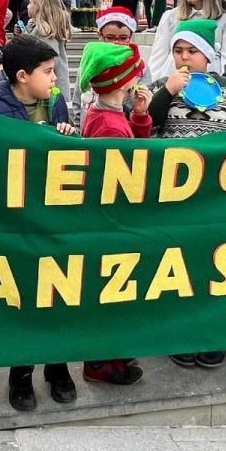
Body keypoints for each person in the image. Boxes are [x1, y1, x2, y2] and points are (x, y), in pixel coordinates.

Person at [147, 19, 226, 370]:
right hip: (175, 193)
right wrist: (166, 91)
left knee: (216, 261)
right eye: (178, 50)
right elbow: (144, 123)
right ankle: (178, 333)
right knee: (177, 262)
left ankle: (213, 333)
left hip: (217, 194)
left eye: (192, 51)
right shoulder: (161, 85)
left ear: (207, 55)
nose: (184, 57)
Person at [0, 35, 74, 410]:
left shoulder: (56, 103)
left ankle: (57, 363)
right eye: (48, 72)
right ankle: (22, 371)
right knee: (23, 295)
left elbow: (70, 152)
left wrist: (65, 136)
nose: (54, 79)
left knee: (57, 291)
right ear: (21, 76)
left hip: (53, 214)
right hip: (16, 218)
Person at [77, 40, 151, 387]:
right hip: (111, 221)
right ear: (123, 82)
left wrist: (139, 116)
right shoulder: (108, 125)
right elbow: (129, 169)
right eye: (137, 73)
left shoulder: (105, 112)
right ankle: (100, 359)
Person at [80, 6, 152, 113]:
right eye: (110, 38)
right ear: (99, 35)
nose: (116, 43)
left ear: (130, 36)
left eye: (123, 38)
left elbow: (142, 101)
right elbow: (78, 101)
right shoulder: (91, 63)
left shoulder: (139, 66)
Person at [26, 0, 72, 119]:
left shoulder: (44, 34)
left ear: (39, 6)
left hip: (50, 91)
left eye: (31, 2)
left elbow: (51, 62)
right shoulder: (47, 30)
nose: (28, 6)